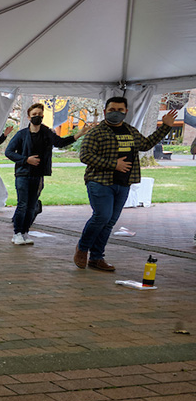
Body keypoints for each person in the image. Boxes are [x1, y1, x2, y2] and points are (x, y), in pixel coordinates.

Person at [74, 97, 176, 271]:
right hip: (100, 181)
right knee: (102, 216)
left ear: (126, 112)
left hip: (123, 183)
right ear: (106, 111)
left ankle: (96, 258)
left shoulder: (130, 130)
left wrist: (165, 126)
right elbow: (85, 156)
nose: (116, 112)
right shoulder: (96, 133)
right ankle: (82, 249)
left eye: (120, 110)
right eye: (112, 109)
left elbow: (146, 144)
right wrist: (114, 164)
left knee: (109, 222)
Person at [5, 103, 91, 245]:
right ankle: (17, 233)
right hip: (23, 174)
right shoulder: (22, 135)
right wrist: (26, 160)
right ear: (28, 117)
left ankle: (25, 232)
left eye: (40, 114)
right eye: (34, 115)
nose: (37, 117)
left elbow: (60, 143)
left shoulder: (47, 133)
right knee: (23, 204)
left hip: (38, 175)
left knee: (32, 206)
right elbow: (9, 152)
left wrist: (79, 134)